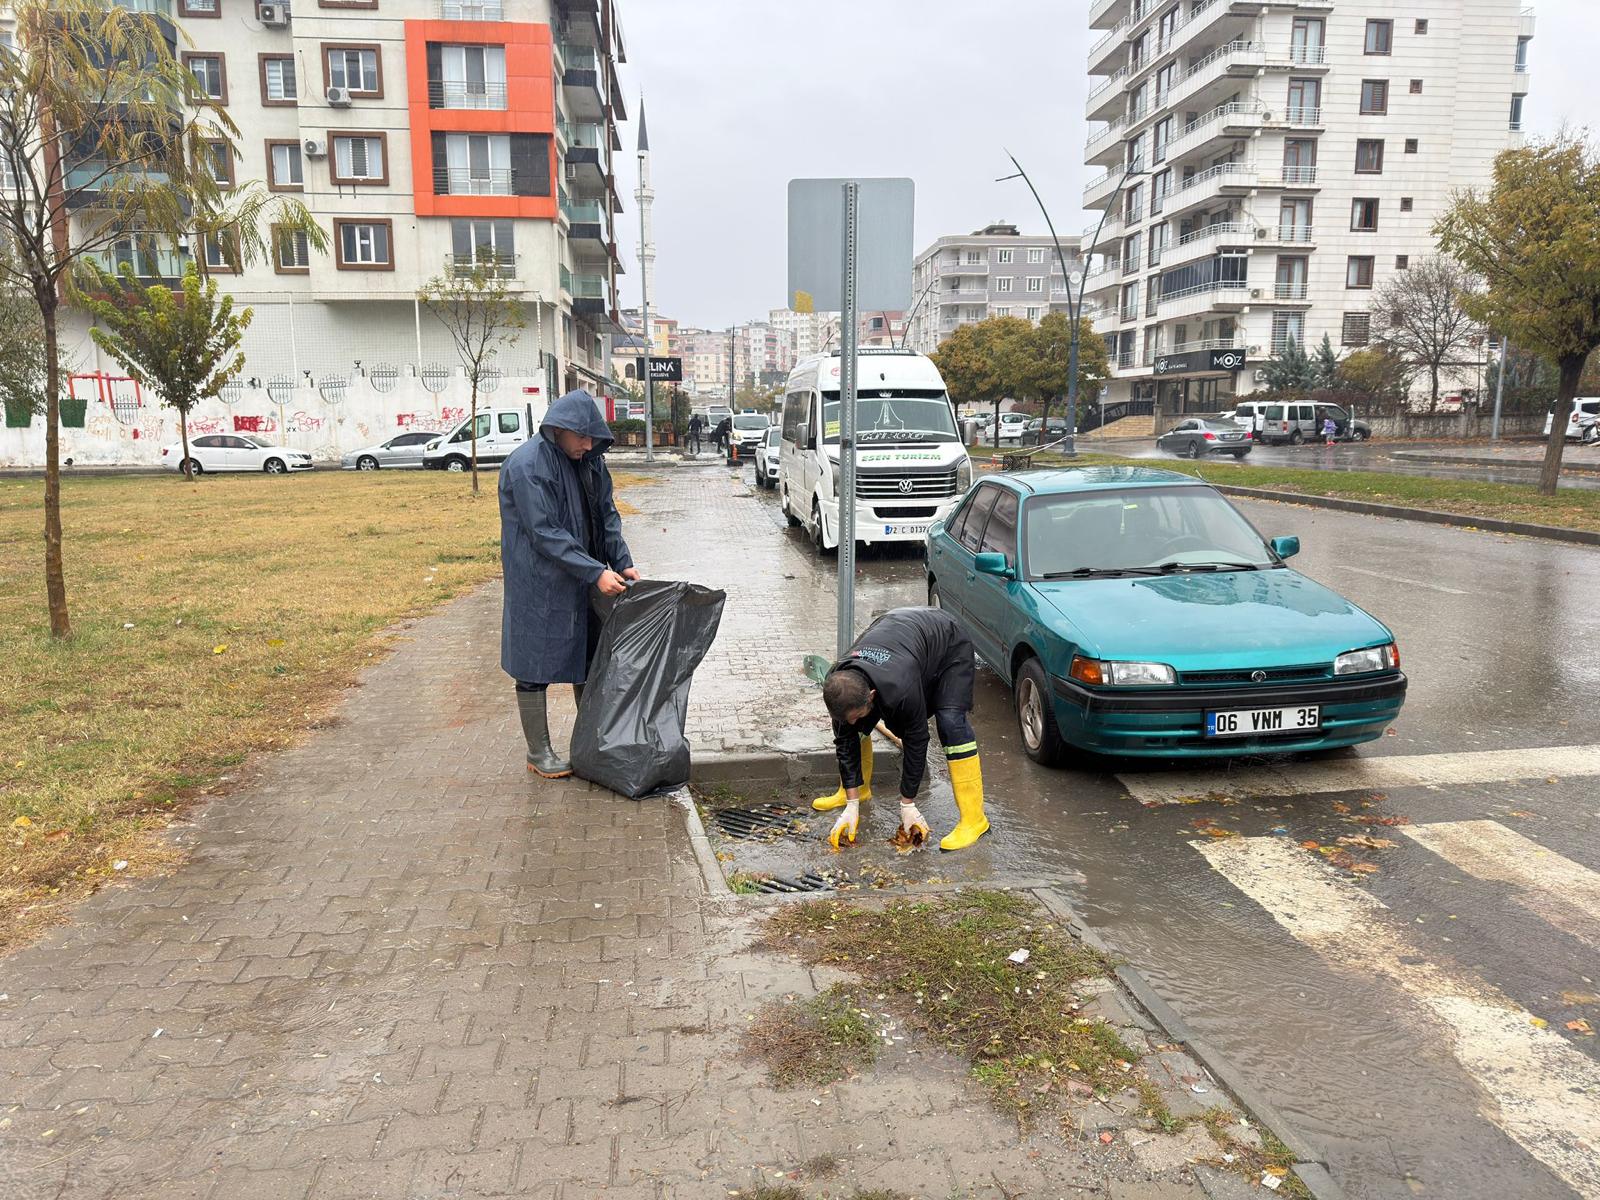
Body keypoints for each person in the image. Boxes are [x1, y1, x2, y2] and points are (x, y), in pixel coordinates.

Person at [499, 389, 641, 778]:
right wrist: (594, 570)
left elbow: (607, 516)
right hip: (539, 582)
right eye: (582, 436)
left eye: (593, 437)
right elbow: (545, 531)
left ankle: (590, 744)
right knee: (532, 666)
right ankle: (538, 752)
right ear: (558, 429)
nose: (588, 443)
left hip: (584, 578)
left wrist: (622, 563)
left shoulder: (590, 462)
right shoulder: (528, 466)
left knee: (589, 659)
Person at [812, 607, 990, 852]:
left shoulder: (902, 688)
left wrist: (908, 804)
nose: (850, 723)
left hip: (948, 644)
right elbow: (845, 738)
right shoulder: (840, 680)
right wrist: (851, 805)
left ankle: (974, 820)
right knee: (855, 723)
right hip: (898, 635)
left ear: (871, 696)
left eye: (855, 715)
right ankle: (857, 792)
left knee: (950, 723)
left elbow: (917, 741)